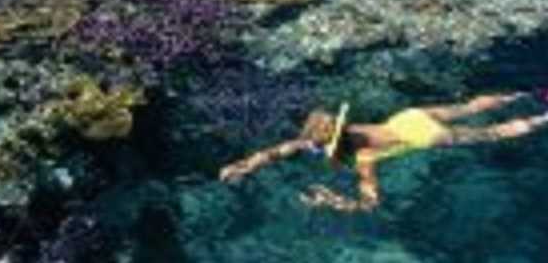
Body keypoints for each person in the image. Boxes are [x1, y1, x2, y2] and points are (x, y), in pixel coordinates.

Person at [218, 91, 548, 212]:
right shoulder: (350, 130)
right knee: (468, 106)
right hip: (408, 116)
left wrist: (333, 202)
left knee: (491, 133)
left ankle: (544, 117)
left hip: (426, 136)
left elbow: (371, 203)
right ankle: (526, 94)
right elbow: (282, 149)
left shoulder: (364, 158)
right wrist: (245, 165)